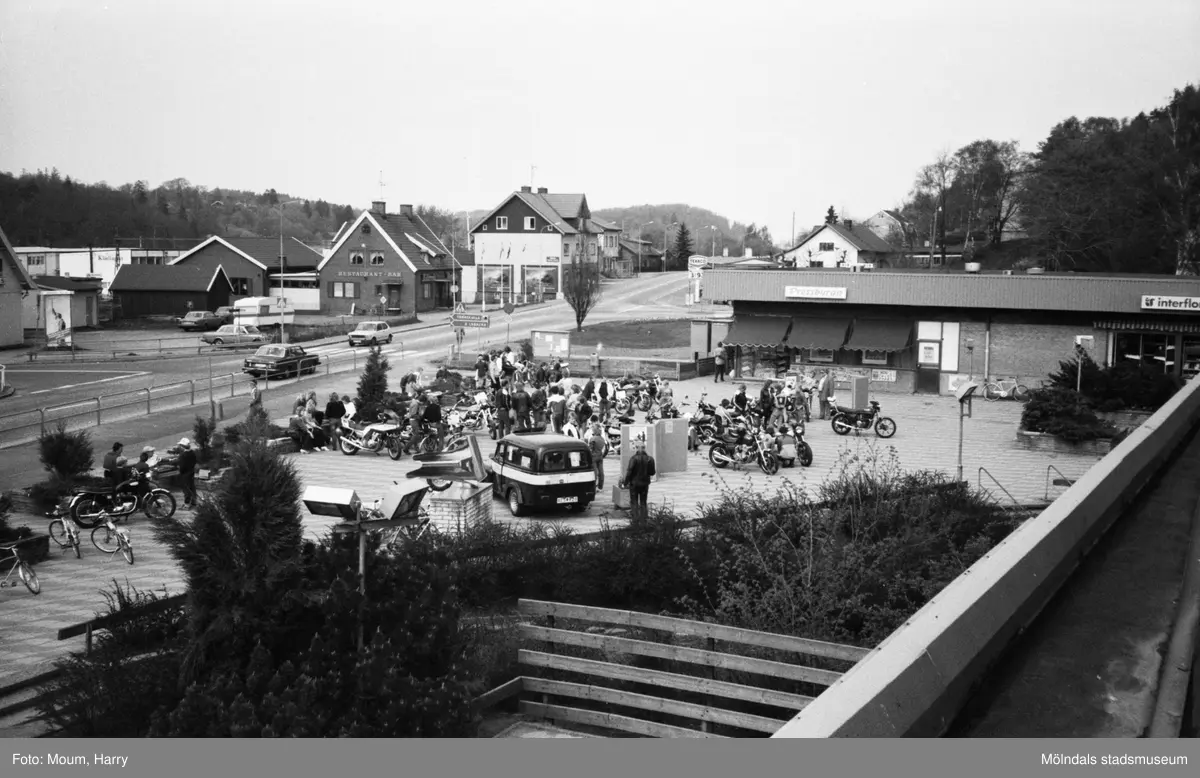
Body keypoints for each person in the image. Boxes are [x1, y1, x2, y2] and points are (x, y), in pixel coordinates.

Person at [620, 438, 656, 525]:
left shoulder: (633, 459)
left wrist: (625, 483)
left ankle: (635, 521)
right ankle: (644, 521)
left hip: (634, 484)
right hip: (645, 484)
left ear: (636, 448)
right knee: (643, 502)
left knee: (634, 502)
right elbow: (652, 472)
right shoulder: (650, 459)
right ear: (644, 448)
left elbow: (629, 472)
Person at [177, 437, 198, 507]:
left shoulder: (183, 455)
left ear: (182, 446)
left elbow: (182, 466)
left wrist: (179, 470)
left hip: (185, 474)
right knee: (192, 487)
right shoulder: (192, 453)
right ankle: (194, 501)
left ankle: (187, 503)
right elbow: (195, 461)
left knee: (186, 488)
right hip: (191, 472)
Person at [588, 420, 607, 490]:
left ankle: (593, 487)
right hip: (600, 456)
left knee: (595, 473)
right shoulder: (602, 439)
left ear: (594, 430)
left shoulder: (592, 439)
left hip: (594, 457)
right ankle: (600, 487)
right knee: (601, 472)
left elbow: (590, 449)